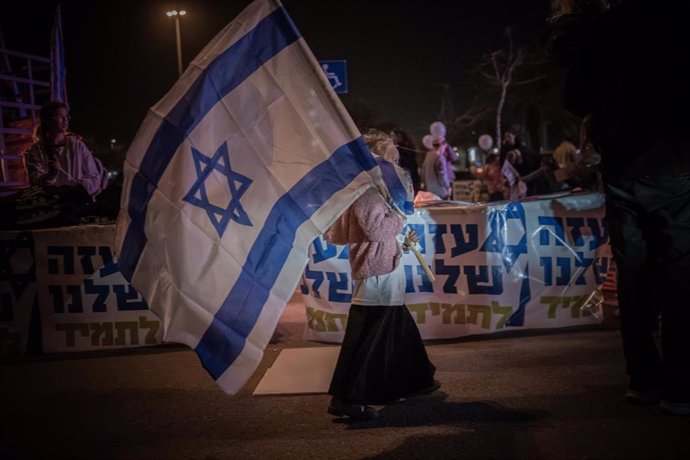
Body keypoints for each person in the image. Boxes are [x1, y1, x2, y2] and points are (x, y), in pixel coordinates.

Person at [547, 1, 690, 416]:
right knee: (680, 275)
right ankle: (679, 387)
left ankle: (643, 379)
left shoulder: (602, 27)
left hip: (624, 169)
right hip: (673, 167)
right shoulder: (673, 21)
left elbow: (575, 96)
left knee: (635, 274)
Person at [325, 129, 439, 421]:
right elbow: (376, 229)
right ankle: (346, 397)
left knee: (396, 323)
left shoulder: (367, 186)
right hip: (376, 267)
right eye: (392, 155)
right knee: (369, 333)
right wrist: (400, 217)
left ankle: (418, 379)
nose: (396, 161)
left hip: (381, 264)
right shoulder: (369, 189)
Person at [24, 101, 108, 201]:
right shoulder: (36, 150)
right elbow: (35, 183)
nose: (65, 120)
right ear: (47, 120)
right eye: (60, 117)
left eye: (66, 116)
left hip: (77, 203)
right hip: (52, 204)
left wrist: (79, 188)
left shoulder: (77, 145)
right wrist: (51, 174)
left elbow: (93, 176)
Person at [390, 127, 421, 192]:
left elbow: (406, 166)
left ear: (399, 136)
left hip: (408, 180)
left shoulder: (405, 149)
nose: (391, 138)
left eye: (392, 136)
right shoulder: (399, 148)